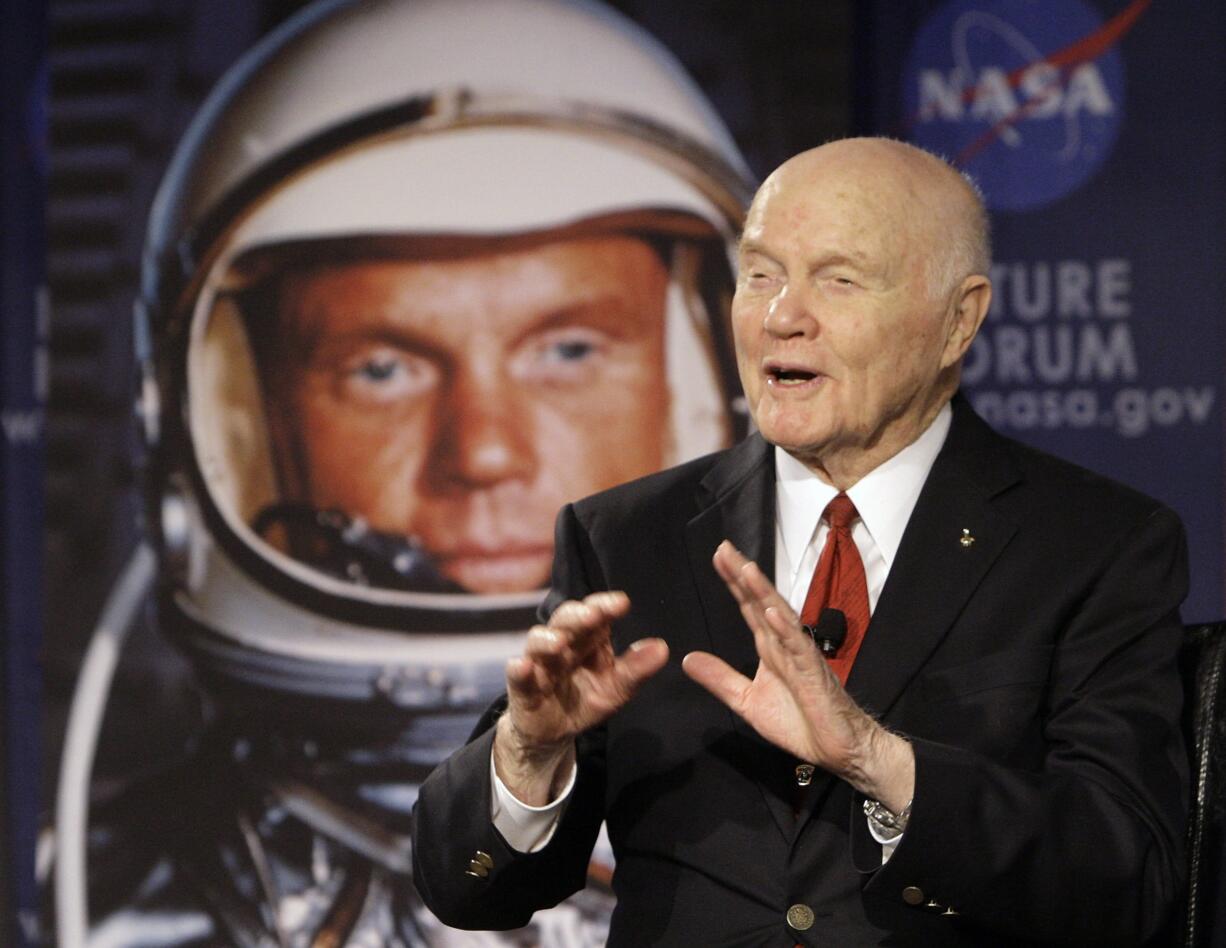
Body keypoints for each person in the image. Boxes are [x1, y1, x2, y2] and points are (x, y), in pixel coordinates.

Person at [52, 0, 754, 944]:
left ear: (705, 392)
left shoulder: (866, 848)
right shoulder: (91, 904)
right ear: (238, 426)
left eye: (571, 350)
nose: (485, 453)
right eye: (383, 369)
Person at [412, 137, 1190, 946]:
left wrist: (878, 762)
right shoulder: (626, 540)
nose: (783, 316)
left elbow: (1128, 877)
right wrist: (531, 754)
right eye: (761, 274)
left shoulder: (1093, 545)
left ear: (958, 321)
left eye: (839, 279)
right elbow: (468, 893)